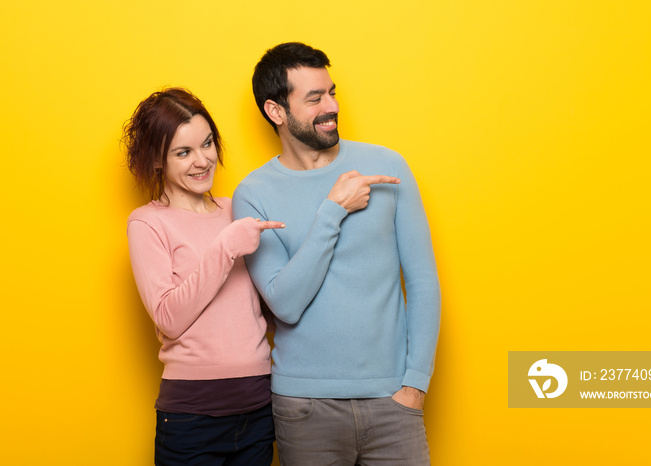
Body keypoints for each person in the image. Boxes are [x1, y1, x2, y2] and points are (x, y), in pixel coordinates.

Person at [233, 42, 441, 465]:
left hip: (392, 402)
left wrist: (414, 386)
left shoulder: (387, 165)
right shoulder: (253, 195)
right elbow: (285, 304)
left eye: (331, 92)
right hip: (305, 408)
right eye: (314, 98)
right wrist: (333, 210)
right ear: (276, 111)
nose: (331, 106)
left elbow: (422, 280)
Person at [123, 87, 284, 465]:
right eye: (184, 152)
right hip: (191, 418)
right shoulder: (147, 223)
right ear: (157, 161)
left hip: (259, 408)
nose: (203, 160)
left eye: (207, 144)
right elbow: (169, 318)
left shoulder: (238, 210)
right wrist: (225, 247)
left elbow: (270, 305)